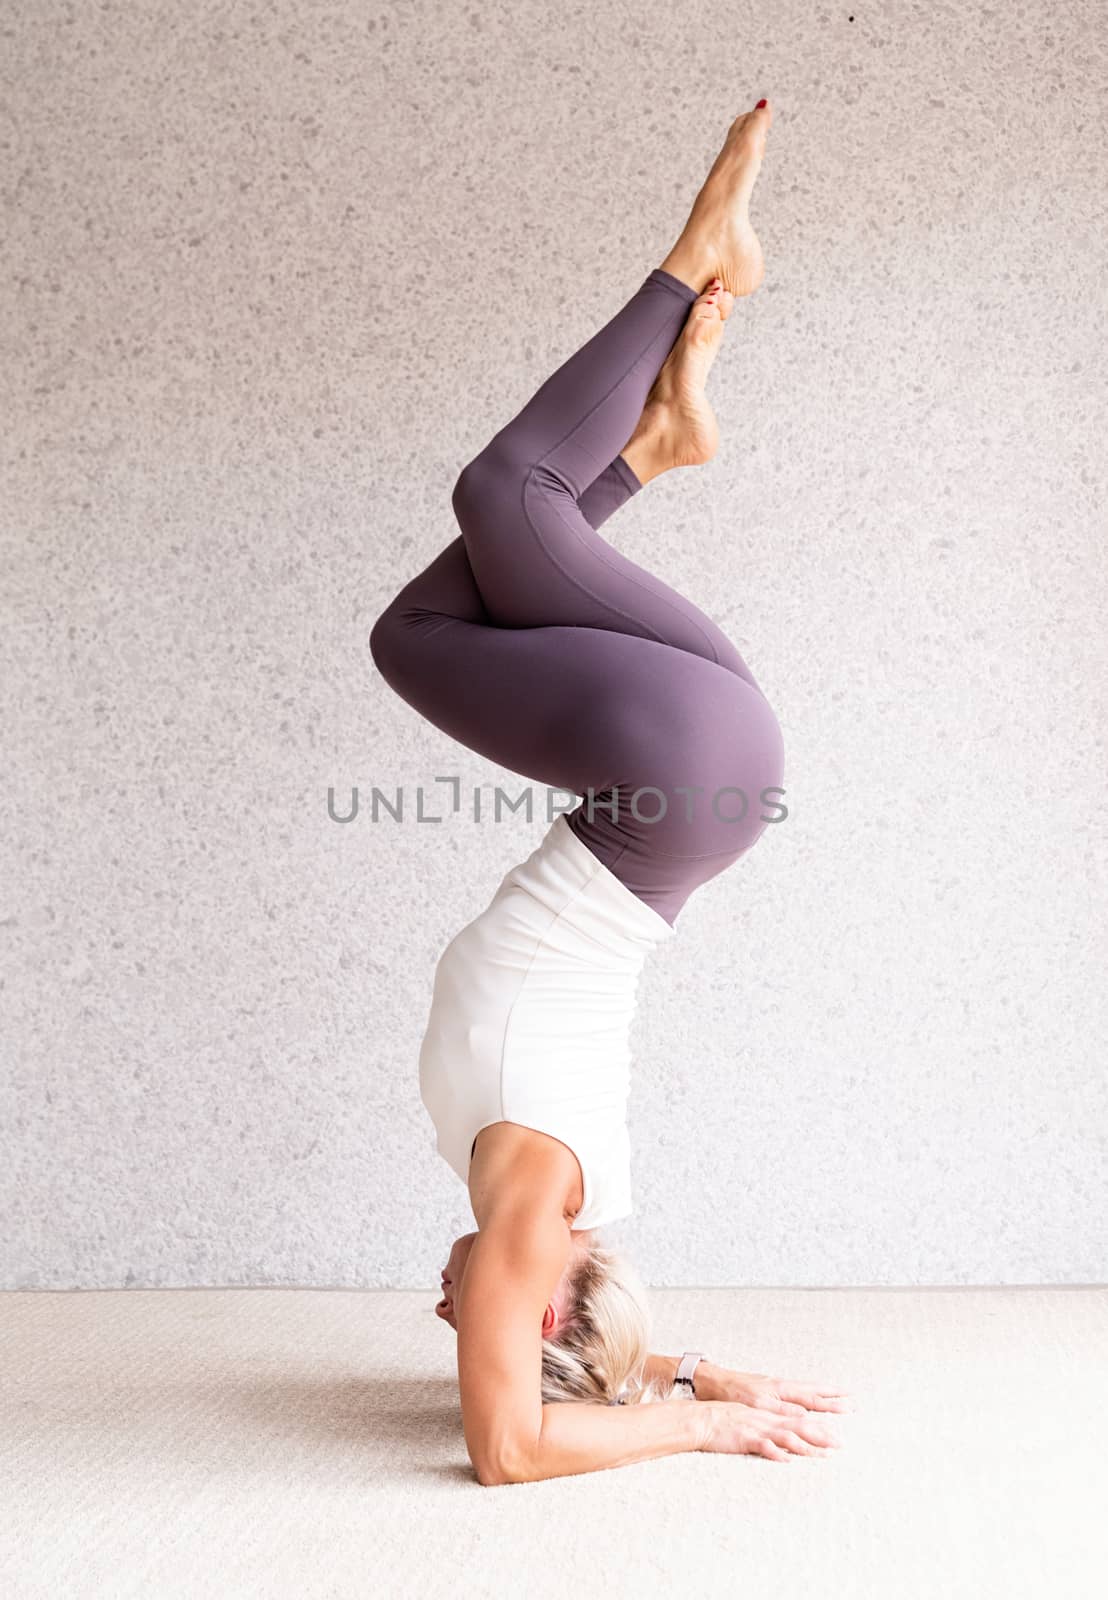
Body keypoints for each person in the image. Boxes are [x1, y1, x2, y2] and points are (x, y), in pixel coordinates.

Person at [370, 98, 851, 1484]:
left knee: (420, 630)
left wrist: (677, 1368)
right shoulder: (532, 1211)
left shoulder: (552, 1194)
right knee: (505, 490)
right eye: (469, 1327)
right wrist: (691, 1416)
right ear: (532, 1307)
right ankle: (702, 259)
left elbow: (572, 1361)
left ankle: (652, 451)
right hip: (673, 776)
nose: (442, 1310)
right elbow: (509, 1449)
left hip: (696, 769)